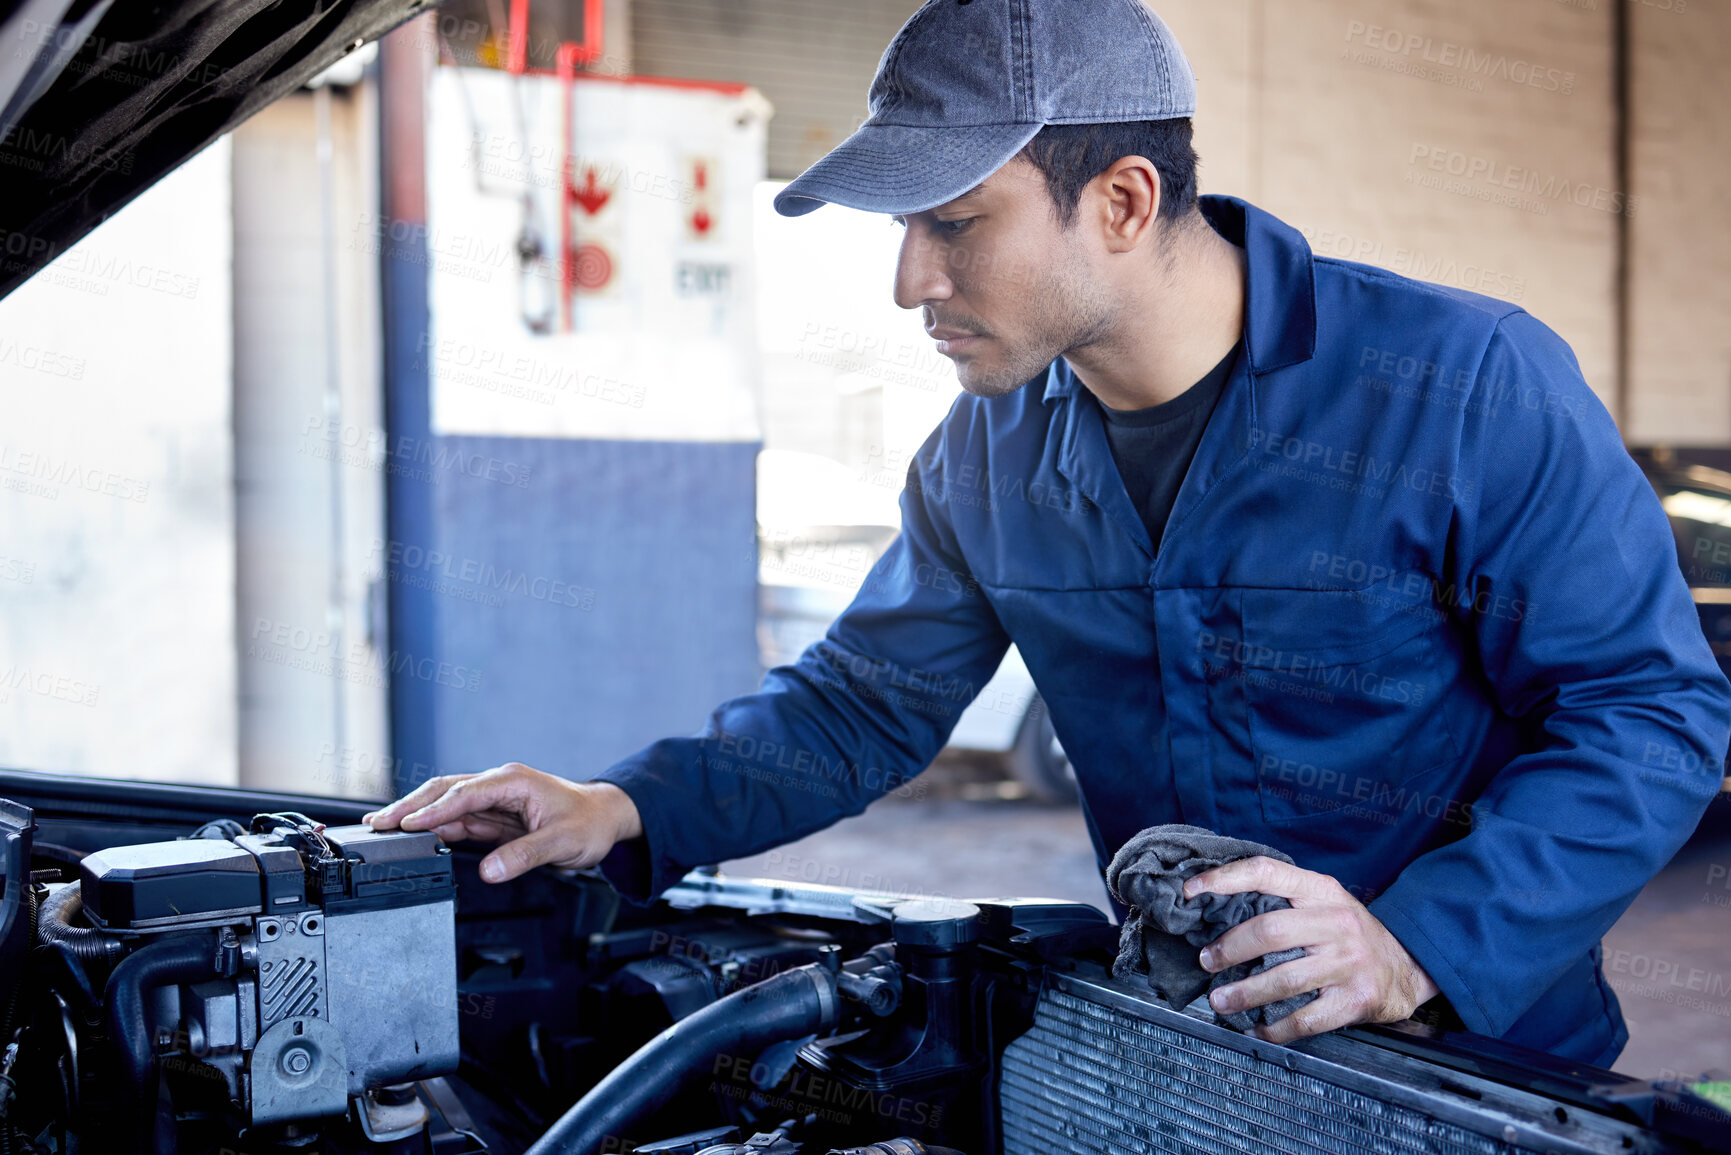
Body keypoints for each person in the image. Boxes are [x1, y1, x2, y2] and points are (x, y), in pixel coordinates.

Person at [364, 0, 1730, 1065]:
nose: (911, 281)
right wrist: (624, 807)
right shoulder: (987, 457)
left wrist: (1416, 945)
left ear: (1124, 204)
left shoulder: (1462, 389)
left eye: (956, 224)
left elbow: (1648, 714)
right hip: (1191, 1051)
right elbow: (857, 710)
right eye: (908, 229)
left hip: (1482, 1069)